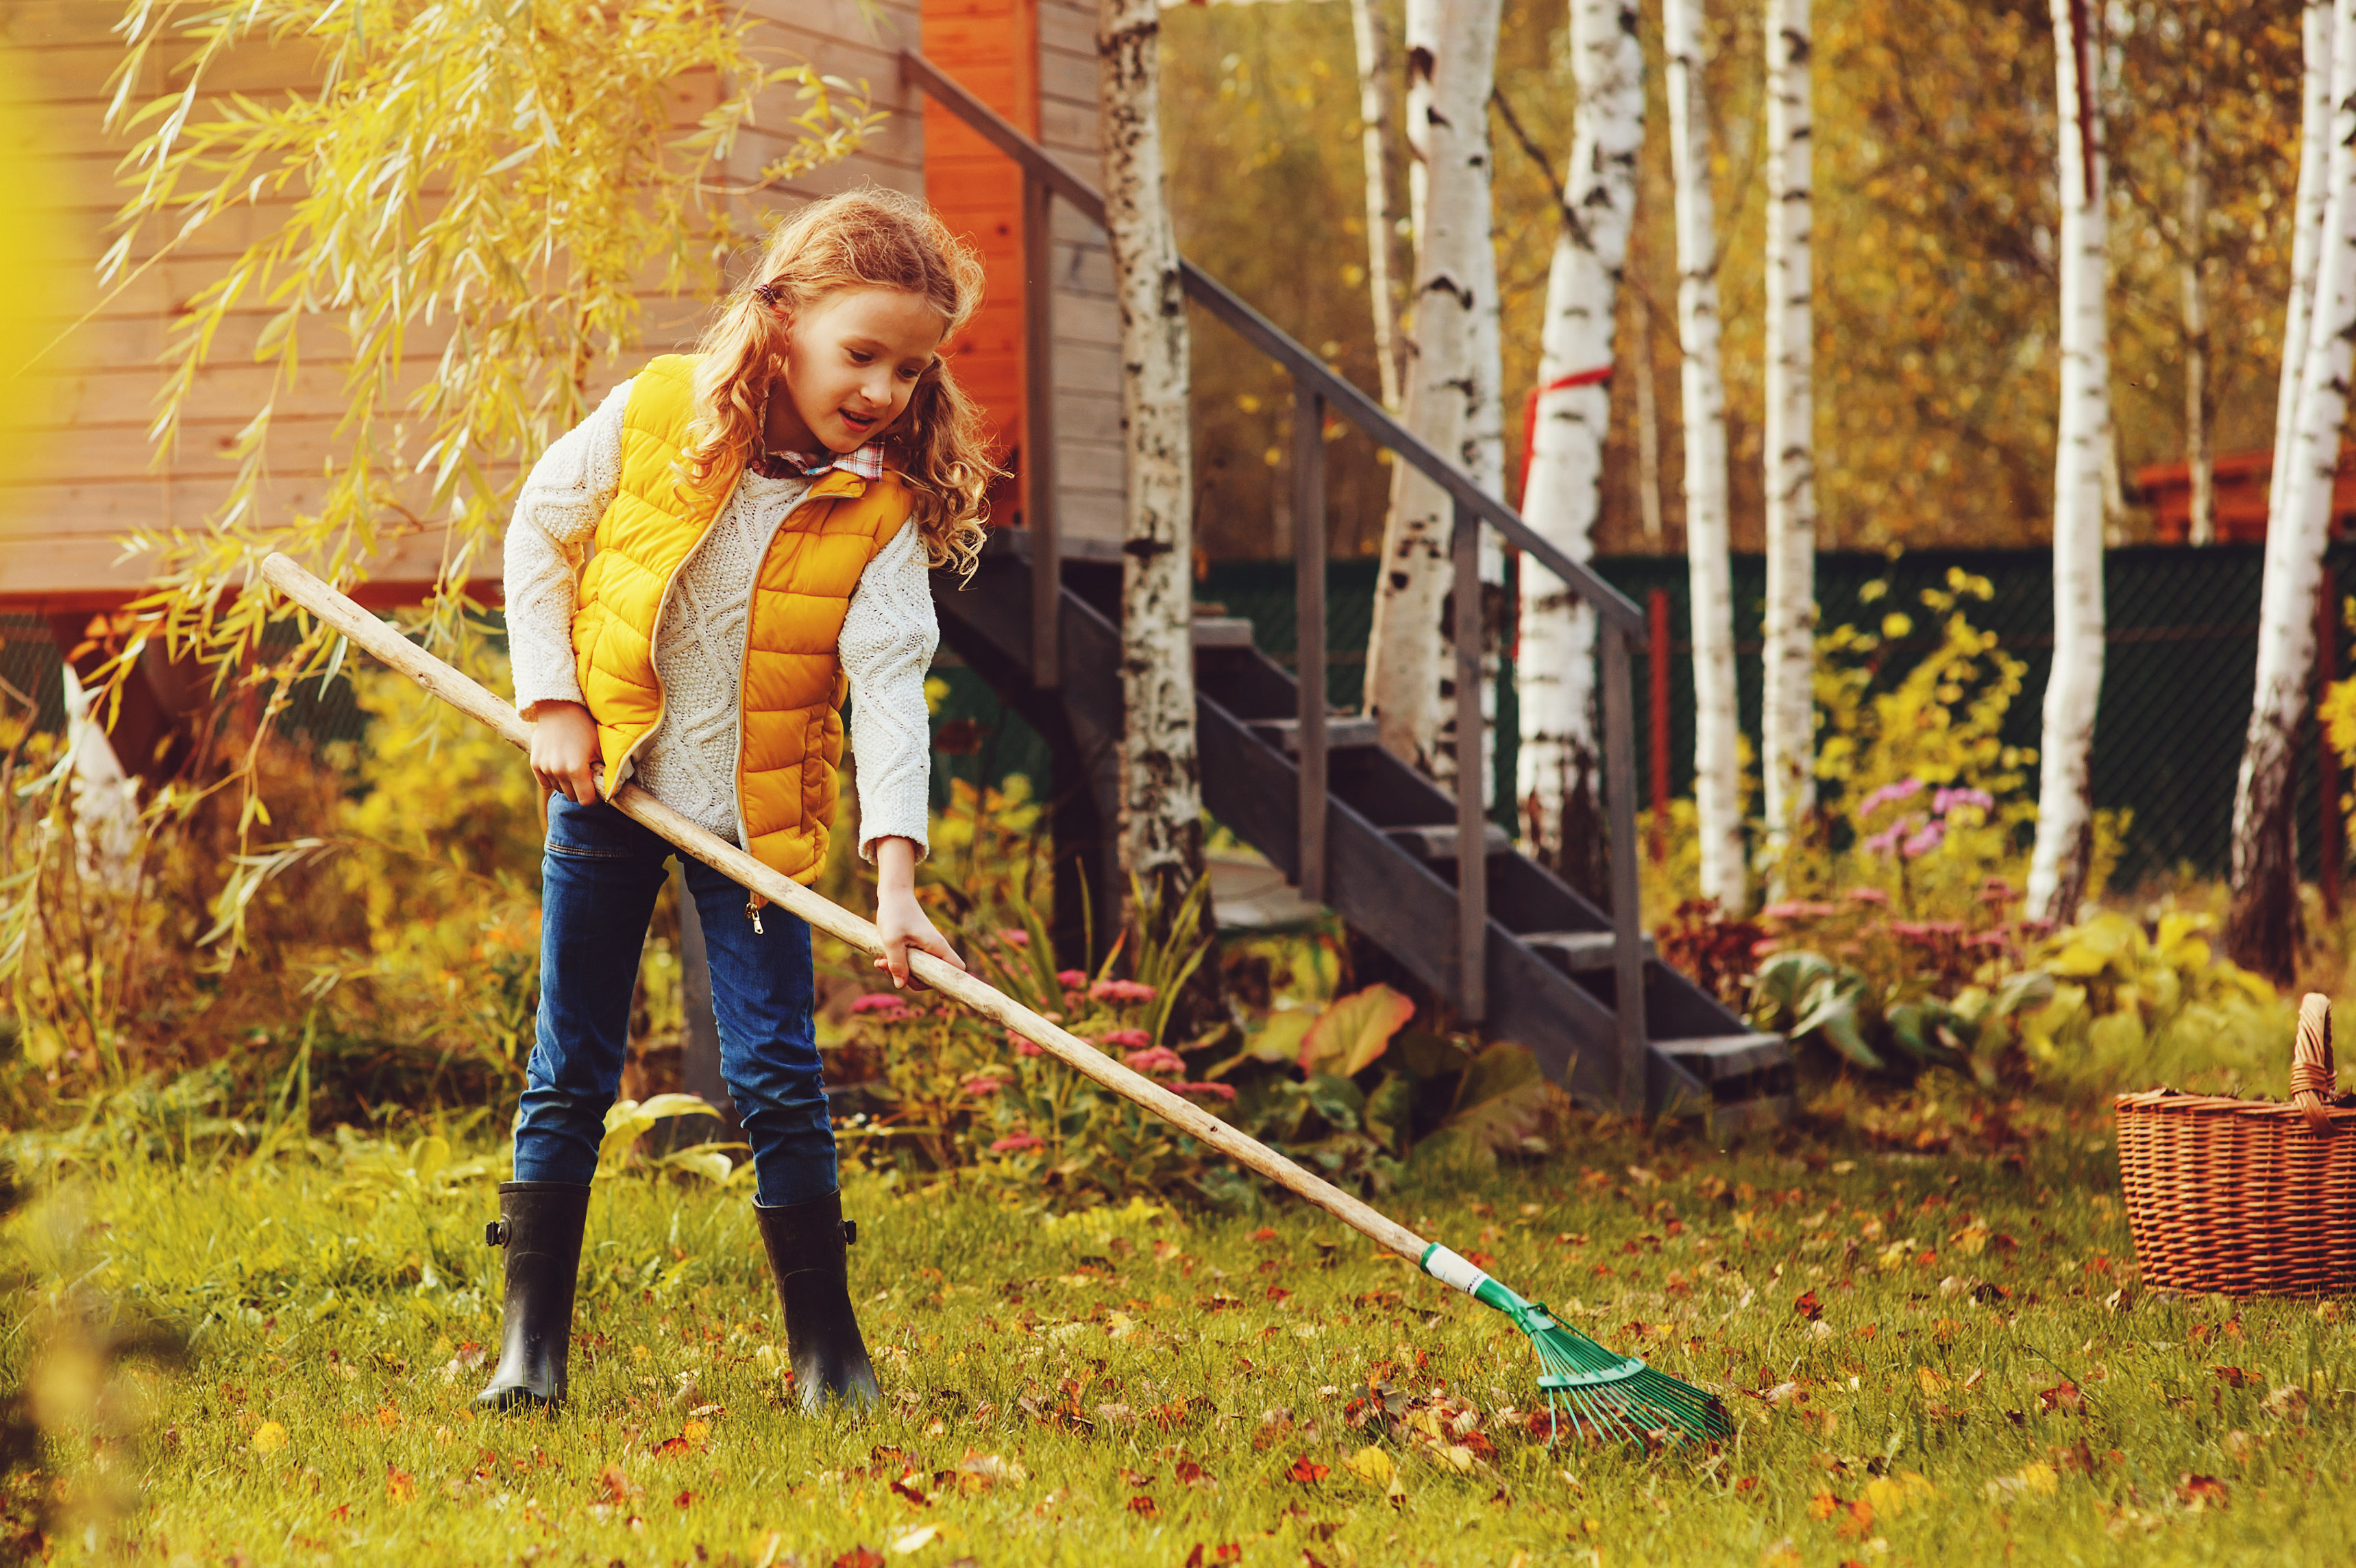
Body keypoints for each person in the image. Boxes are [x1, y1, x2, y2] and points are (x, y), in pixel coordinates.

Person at [478, 188, 991, 1415]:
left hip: (755, 828)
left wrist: (899, 884)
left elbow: (886, 691)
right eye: (860, 353)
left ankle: (831, 1361)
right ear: (782, 320)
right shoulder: (661, 413)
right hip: (610, 788)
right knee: (572, 1064)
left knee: (776, 1074)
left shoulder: (881, 510)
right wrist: (551, 702)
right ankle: (529, 1353)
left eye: (910, 370)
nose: (881, 389)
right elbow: (541, 534)